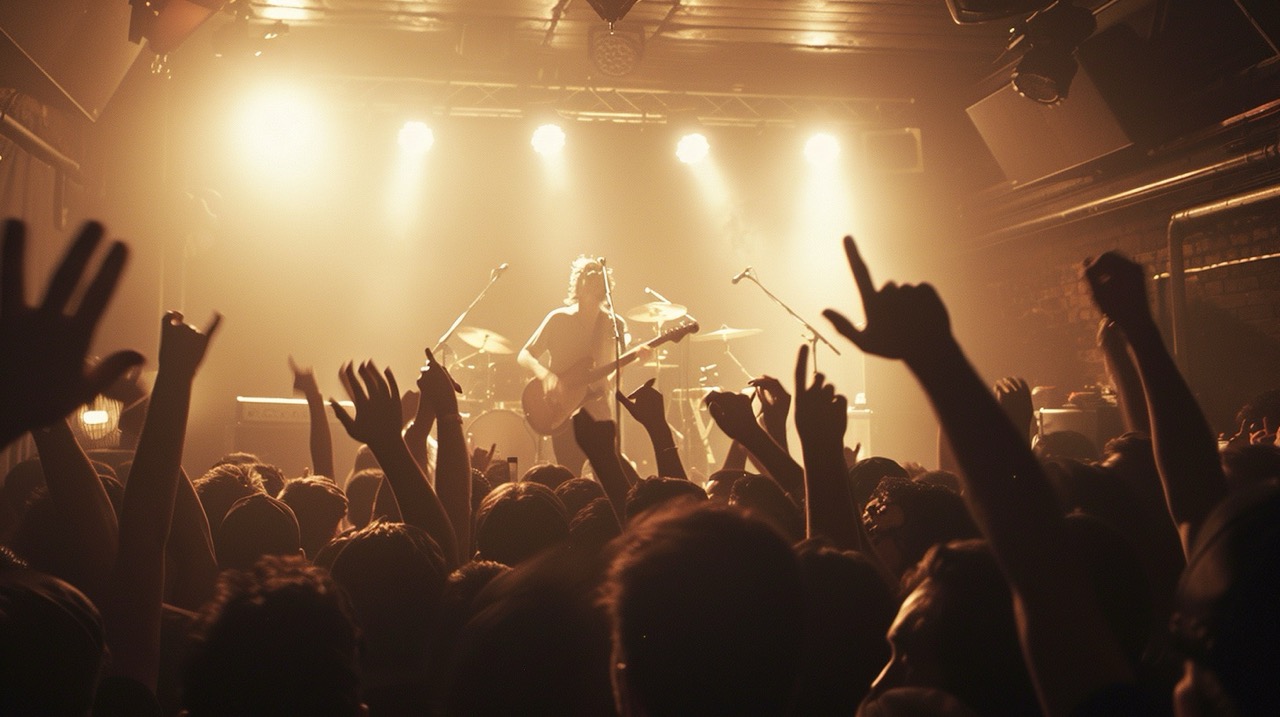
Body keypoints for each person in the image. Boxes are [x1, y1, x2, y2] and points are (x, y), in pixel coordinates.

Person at [518, 256, 632, 473]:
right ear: (577, 283)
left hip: (598, 410)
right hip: (561, 409)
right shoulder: (558, 318)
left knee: (608, 473)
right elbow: (525, 354)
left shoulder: (614, 324)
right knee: (568, 473)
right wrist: (545, 376)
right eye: (586, 275)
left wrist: (626, 366)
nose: (591, 280)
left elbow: (616, 372)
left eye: (597, 276)